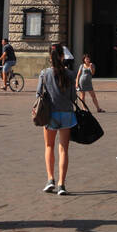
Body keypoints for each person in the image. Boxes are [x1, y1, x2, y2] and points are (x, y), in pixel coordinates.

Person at [38, 43, 76, 195]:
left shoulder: (44, 73)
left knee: (49, 146)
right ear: (62, 57)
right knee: (63, 149)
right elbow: (74, 97)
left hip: (50, 114)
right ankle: (62, 184)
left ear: (49, 57)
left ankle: (50, 180)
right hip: (66, 113)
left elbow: (38, 94)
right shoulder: (70, 74)